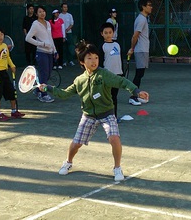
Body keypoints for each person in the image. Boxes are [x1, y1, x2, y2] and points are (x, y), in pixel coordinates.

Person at [39, 40, 149, 182]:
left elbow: (122, 82)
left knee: (114, 138)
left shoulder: (104, 75)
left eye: (96, 57)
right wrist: (48, 88)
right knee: (76, 143)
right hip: (88, 116)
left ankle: (117, 168)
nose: (93, 61)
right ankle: (68, 162)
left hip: (107, 113)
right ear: (82, 62)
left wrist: (136, 91)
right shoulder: (79, 80)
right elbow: (64, 94)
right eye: (89, 58)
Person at [0, 27, 25, 121]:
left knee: (11, 92)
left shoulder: (4, 45)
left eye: (1, 34)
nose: (0, 36)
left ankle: (14, 111)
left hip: (5, 73)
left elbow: (7, 57)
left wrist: (12, 66)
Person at [25, 5, 58, 103]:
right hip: (41, 52)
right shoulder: (35, 24)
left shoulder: (48, 23)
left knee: (47, 74)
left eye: (43, 11)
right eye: (39, 12)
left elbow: (50, 37)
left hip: (50, 52)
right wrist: (41, 44)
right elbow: (28, 38)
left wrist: (55, 50)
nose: (42, 13)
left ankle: (37, 90)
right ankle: (43, 95)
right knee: (44, 73)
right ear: (36, 14)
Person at [127, 0, 152, 106]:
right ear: (143, 6)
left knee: (140, 74)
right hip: (140, 50)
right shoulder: (141, 19)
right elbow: (135, 35)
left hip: (143, 49)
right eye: (149, 5)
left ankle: (136, 95)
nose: (151, 7)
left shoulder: (143, 19)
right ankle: (133, 97)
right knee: (139, 74)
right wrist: (132, 48)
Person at [99, 22, 123, 121]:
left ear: (113, 33)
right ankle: (104, 116)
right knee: (107, 97)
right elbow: (100, 61)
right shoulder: (102, 46)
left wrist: (122, 72)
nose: (108, 34)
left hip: (117, 75)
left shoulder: (117, 45)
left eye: (110, 32)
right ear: (102, 34)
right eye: (106, 32)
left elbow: (119, 60)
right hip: (107, 75)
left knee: (114, 97)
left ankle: (114, 117)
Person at [59, 3, 75, 67]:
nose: (65, 8)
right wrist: (63, 32)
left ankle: (71, 60)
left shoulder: (69, 15)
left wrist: (66, 30)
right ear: (61, 8)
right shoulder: (59, 16)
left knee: (70, 47)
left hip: (69, 33)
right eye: (64, 7)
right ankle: (64, 61)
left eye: (66, 7)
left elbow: (72, 24)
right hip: (61, 34)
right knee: (63, 47)